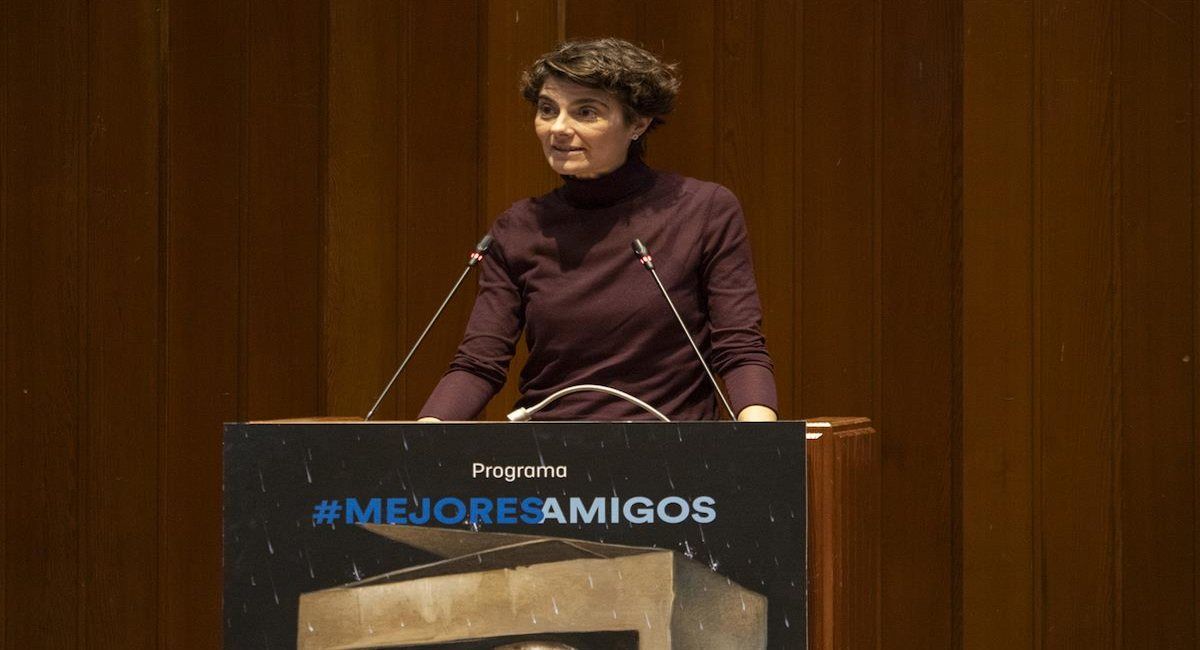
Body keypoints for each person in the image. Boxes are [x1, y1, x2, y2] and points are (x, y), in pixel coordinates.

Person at [419, 38, 777, 422]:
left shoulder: (702, 209)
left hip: (670, 457)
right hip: (546, 461)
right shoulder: (519, 227)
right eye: (547, 110)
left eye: (585, 111)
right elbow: (478, 363)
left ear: (638, 123)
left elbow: (739, 346)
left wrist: (760, 443)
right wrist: (422, 437)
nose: (557, 128)